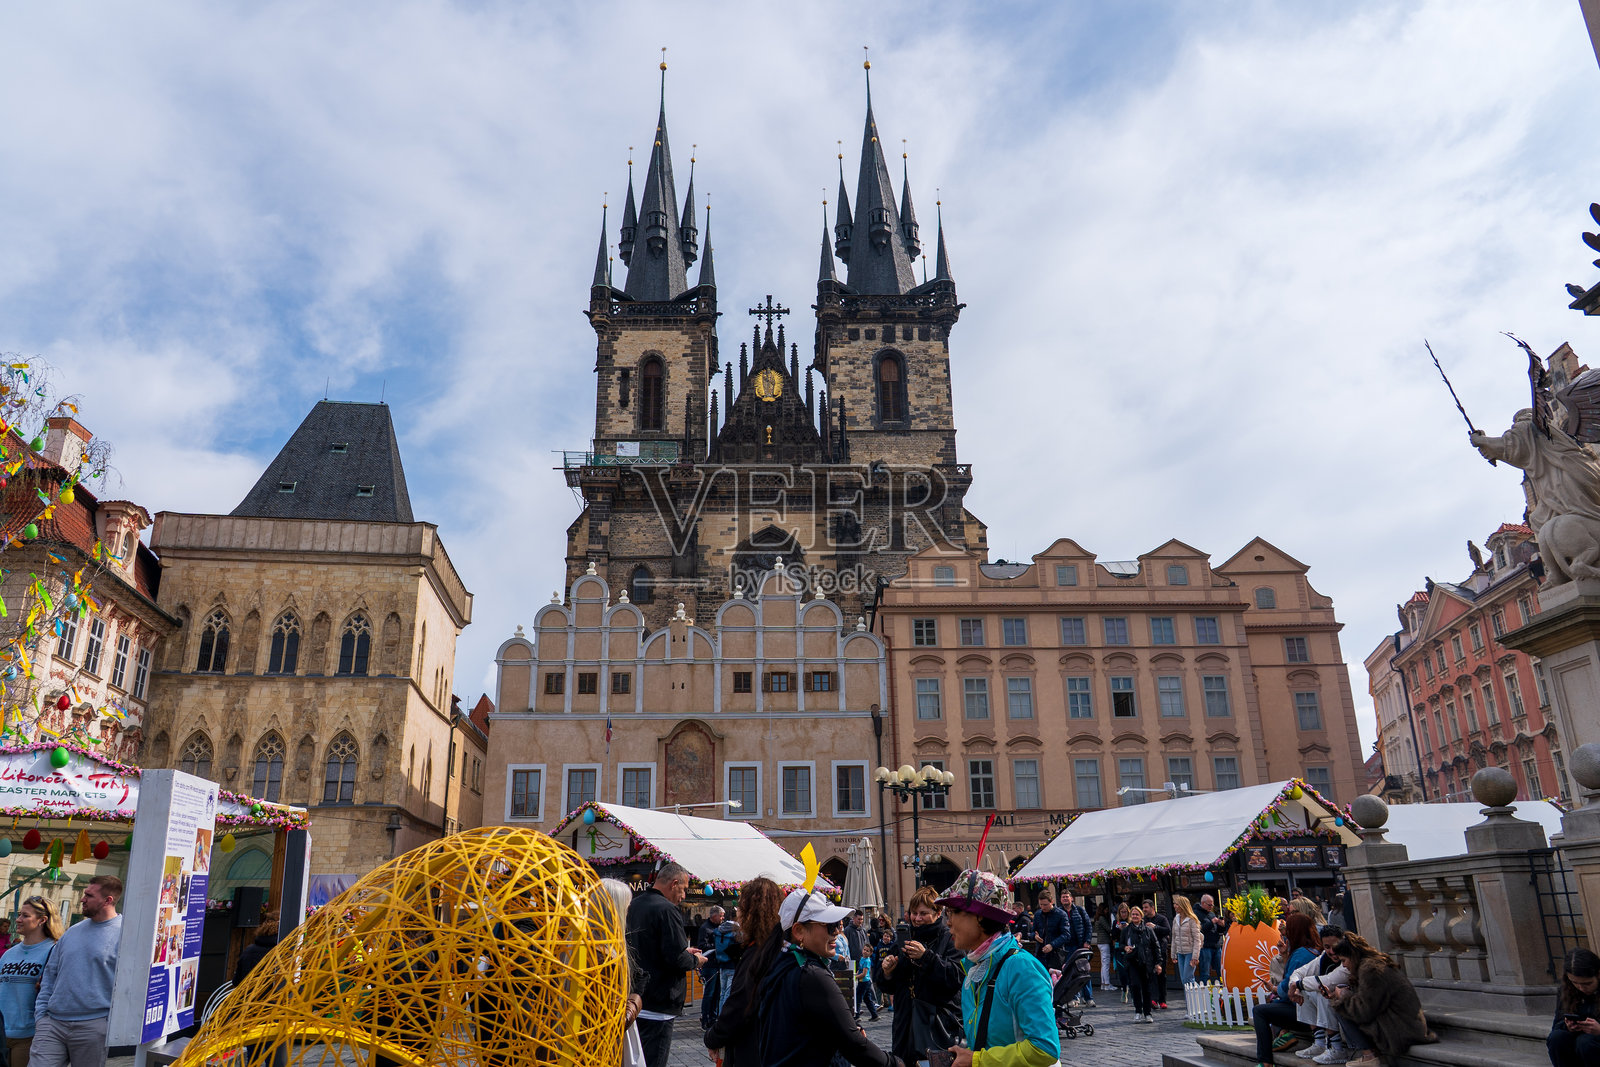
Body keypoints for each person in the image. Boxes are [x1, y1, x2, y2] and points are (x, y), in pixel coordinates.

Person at [756, 888, 901, 1067]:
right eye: (829, 925)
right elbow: (854, 1044)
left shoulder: (780, 962)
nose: (836, 933)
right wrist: (895, 1063)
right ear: (799, 931)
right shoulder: (812, 975)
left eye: (838, 925)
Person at [933, 870, 1059, 1067]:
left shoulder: (1021, 968)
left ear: (980, 916)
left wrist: (977, 1060)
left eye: (954, 912)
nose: (948, 921)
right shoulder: (975, 969)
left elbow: (1044, 1049)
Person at [32, 875, 121, 1067]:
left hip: (94, 1025)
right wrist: (42, 1017)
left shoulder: (125, 934)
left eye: (89, 895)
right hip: (53, 1023)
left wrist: (106, 1024)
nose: (82, 899)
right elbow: (50, 973)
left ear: (108, 900)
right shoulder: (72, 931)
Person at [625, 863, 706, 1067]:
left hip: (636, 999)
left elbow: (651, 947)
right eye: (685, 889)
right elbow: (676, 959)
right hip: (659, 1003)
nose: (684, 896)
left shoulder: (634, 904)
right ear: (674, 883)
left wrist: (682, 952)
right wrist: (696, 960)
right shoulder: (668, 910)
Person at [877, 886, 962, 1067]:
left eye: (923, 913)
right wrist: (887, 972)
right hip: (904, 1026)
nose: (917, 918)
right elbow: (888, 986)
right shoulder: (903, 939)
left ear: (938, 913)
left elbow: (955, 978)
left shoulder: (950, 939)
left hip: (937, 1026)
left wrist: (926, 957)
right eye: (914, 913)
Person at [705, 877, 784, 1067]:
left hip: (754, 1047)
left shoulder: (759, 952)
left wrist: (713, 1037)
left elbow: (739, 1005)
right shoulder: (776, 945)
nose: (738, 913)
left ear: (752, 913)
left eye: (741, 907)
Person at [1327, 933, 1435, 1067]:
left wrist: (1343, 996)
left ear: (1353, 956)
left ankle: (1370, 1056)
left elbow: (1364, 1010)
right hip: (1404, 1023)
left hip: (1401, 1029)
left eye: (1344, 960)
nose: (1343, 966)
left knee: (1341, 1007)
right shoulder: (1371, 964)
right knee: (1342, 1003)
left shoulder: (1370, 969)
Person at [1250, 913, 1322, 1066]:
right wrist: (1285, 956)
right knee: (1272, 1004)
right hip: (1307, 1006)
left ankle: (1265, 1060)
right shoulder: (1312, 950)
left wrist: (1275, 989)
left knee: (1259, 1011)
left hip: (1302, 1009)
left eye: (1288, 929)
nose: (1285, 933)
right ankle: (1283, 1035)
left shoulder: (1301, 954)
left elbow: (1287, 986)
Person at [0, 896, 63, 1067]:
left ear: (42, 920)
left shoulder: (55, 951)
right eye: (19, 914)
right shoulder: (9, 953)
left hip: (30, 1035)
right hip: (2, 1033)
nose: (18, 920)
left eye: (25, 916)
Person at [1291, 924, 1350, 1064]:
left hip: (1355, 1006)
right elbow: (1299, 972)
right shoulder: (1324, 957)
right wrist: (1296, 987)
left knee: (1322, 990)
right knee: (1305, 991)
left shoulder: (1349, 958)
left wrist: (1297, 985)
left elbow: (1329, 981)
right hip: (1338, 1006)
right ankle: (1319, 1042)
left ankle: (1337, 1047)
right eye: (1327, 946)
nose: (1331, 951)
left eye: (1335, 945)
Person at [1549, 947, 1600, 1067]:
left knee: (1586, 1042)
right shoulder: (1567, 991)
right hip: (1578, 1043)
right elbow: (1557, 1025)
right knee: (1557, 1038)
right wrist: (1568, 1026)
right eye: (1575, 983)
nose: (1581, 988)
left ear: (1598, 974)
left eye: (1587, 983)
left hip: (1592, 1044)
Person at [1120, 906, 1162, 1022]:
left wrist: (1158, 963)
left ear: (1141, 916)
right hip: (1132, 962)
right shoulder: (1126, 930)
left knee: (1147, 988)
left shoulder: (1148, 930)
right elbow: (1120, 945)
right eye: (1133, 914)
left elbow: (1155, 946)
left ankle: (1147, 1013)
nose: (1134, 916)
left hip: (1146, 962)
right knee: (1135, 986)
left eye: (1137, 914)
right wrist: (1125, 948)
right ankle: (1138, 1010)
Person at [845, 912, 879, 1022]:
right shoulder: (848, 930)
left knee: (864, 991)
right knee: (861, 992)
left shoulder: (863, 930)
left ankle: (866, 1009)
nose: (860, 921)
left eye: (862, 919)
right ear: (854, 919)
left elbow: (867, 944)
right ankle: (863, 1010)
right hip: (853, 961)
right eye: (859, 919)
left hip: (863, 962)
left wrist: (867, 954)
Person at [698, 906, 726, 1030]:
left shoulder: (720, 927)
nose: (722, 918)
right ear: (714, 915)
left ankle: (713, 1018)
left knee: (717, 993)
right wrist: (716, 946)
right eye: (721, 916)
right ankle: (705, 1018)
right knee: (709, 993)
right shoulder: (705, 928)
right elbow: (702, 945)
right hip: (709, 965)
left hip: (718, 964)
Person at [1141, 900, 1172, 1008]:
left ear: (1152, 908)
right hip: (1148, 952)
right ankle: (1153, 999)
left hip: (1160, 951)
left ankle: (1162, 1000)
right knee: (1150, 976)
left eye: (1146, 907)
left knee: (1161, 975)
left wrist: (1155, 927)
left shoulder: (1161, 918)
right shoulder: (1143, 920)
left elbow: (1168, 930)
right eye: (1143, 908)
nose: (1144, 910)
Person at [234, 916, 279, 984]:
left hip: (247, 993)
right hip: (272, 993)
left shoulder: (249, 950)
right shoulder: (281, 951)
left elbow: (236, 981)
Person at [1171, 895, 1202, 988]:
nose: (1175, 906)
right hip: (1180, 953)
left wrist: (1195, 957)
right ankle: (1193, 999)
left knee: (1187, 979)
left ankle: (1197, 996)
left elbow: (1197, 940)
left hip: (1190, 953)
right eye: (1174, 904)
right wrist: (1173, 954)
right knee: (1185, 980)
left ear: (1183, 905)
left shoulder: (1192, 920)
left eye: (1177, 904)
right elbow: (1174, 937)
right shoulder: (1175, 919)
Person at [1197, 894, 1229, 983]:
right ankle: (1205, 993)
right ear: (1203, 903)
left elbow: (1218, 931)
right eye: (1209, 905)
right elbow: (1200, 929)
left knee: (1221, 971)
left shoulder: (1211, 913)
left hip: (1216, 945)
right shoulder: (1196, 914)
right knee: (1205, 973)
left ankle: (1224, 993)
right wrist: (1212, 922)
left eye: (1212, 905)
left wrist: (1221, 925)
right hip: (1205, 946)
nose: (1211, 907)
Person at [1093, 903, 1116, 992]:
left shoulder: (1097, 918)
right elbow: (1109, 929)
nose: (1107, 911)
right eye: (1106, 909)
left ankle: (1103, 983)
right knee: (1106, 963)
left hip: (1100, 942)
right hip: (1104, 942)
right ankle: (1107, 984)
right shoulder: (1102, 918)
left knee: (1103, 963)